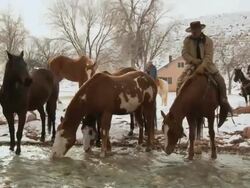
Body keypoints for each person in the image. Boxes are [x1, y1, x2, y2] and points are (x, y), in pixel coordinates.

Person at [177, 21, 232, 112]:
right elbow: (184, 53)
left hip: (207, 65)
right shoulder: (187, 40)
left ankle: (224, 102)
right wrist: (194, 61)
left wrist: (202, 66)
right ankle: (179, 103)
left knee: (221, 80)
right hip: (192, 65)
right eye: (193, 30)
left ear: (200, 30)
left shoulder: (208, 41)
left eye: (196, 30)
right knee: (180, 80)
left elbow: (208, 56)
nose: (194, 32)